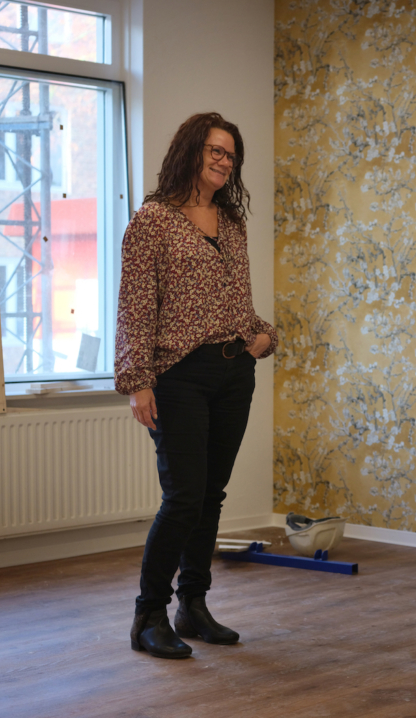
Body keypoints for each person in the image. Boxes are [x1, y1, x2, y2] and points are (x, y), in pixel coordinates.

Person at [115, 112, 277, 659]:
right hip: (178, 376)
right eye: (215, 150)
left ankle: (193, 605)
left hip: (233, 373)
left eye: (231, 155)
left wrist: (262, 336)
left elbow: (235, 302)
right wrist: (138, 382)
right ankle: (148, 615)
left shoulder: (230, 222)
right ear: (190, 151)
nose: (224, 161)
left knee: (210, 495)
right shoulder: (153, 221)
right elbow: (136, 307)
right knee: (183, 497)